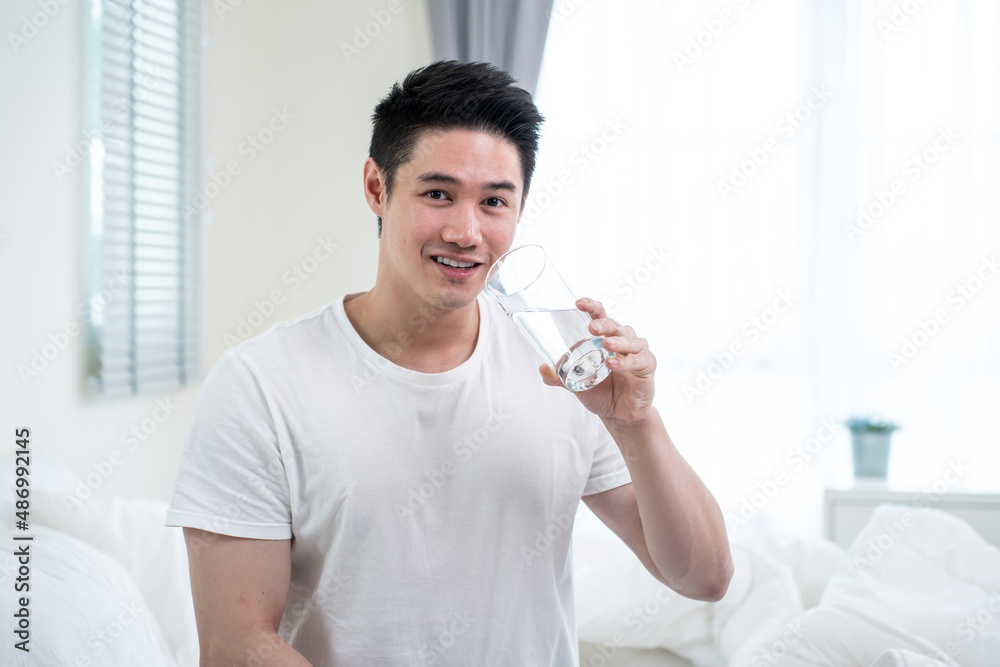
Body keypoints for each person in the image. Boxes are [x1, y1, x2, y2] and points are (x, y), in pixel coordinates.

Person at [165, 60, 732, 666]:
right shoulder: (262, 383)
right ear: (376, 188)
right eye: (438, 194)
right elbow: (236, 643)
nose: (467, 232)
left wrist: (635, 423)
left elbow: (704, 578)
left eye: (494, 202)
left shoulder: (564, 369)